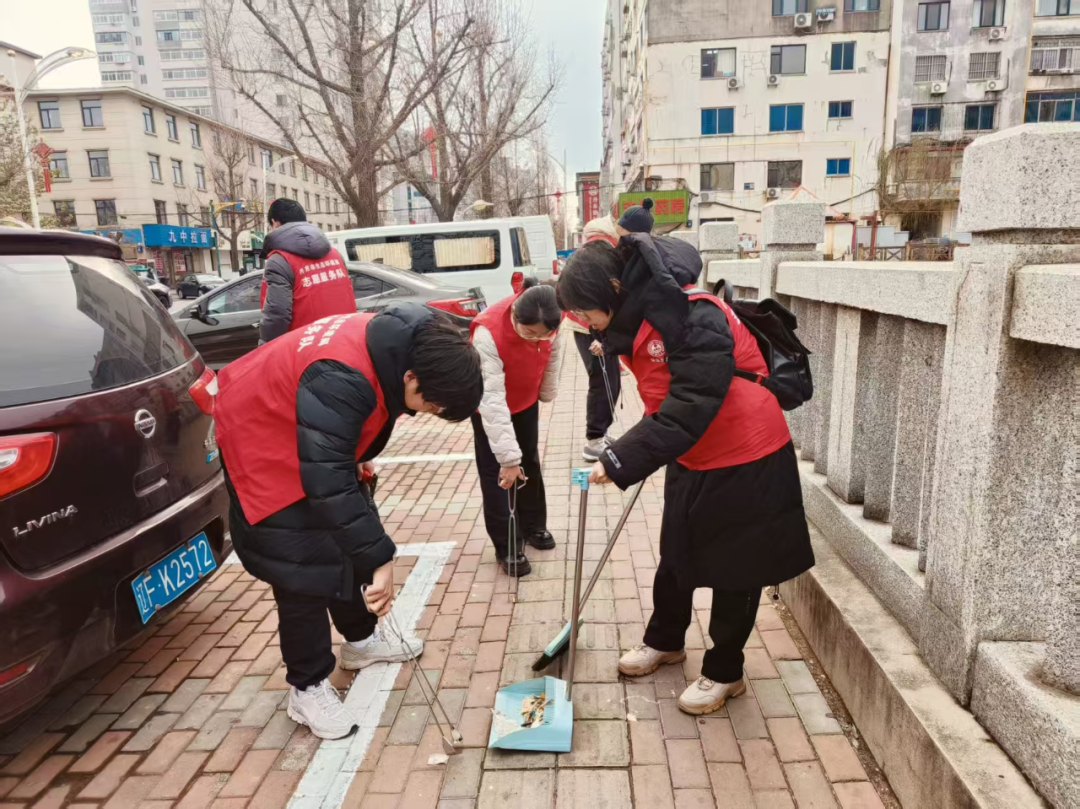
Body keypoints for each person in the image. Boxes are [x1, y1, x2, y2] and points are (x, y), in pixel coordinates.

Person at [556, 237, 813, 717]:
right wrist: (633, 449)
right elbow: (665, 401)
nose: (586, 322)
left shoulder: (694, 315)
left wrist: (620, 459)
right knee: (676, 553)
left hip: (746, 454)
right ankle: (665, 640)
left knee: (737, 570)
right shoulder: (640, 318)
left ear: (614, 288)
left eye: (587, 312)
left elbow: (691, 403)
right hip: (693, 452)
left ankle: (726, 671)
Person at [214, 302, 483, 739]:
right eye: (430, 405)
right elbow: (327, 479)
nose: (424, 413)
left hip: (303, 421)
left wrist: (352, 450)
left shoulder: (409, 342)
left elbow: (333, 454)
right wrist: (381, 559)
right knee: (301, 568)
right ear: (410, 377)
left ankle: (359, 641)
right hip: (259, 431)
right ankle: (306, 688)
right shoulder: (343, 377)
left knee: (346, 536)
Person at [470, 277, 564, 577]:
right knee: (499, 474)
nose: (537, 340)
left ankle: (533, 525)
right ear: (514, 316)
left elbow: (553, 355)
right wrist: (508, 459)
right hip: (490, 406)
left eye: (543, 334)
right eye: (530, 333)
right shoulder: (487, 333)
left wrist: (546, 391)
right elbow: (491, 398)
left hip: (525, 401)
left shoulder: (553, 320)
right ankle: (507, 545)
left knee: (530, 463)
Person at [258, 198, 356, 344]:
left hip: (305, 345)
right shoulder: (335, 255)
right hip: (343, 338)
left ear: (275, 223)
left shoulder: (279, 261)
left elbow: (277, 315)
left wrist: (266, 346)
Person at [565, 216, 622, 461]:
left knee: (610, 380)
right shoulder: (600, 251)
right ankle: (594, 438)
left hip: (597, 325)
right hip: (589, 328)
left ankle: (601, 432)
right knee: (602, 380)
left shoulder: (598, 249)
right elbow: (590, 304)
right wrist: (599, 337)